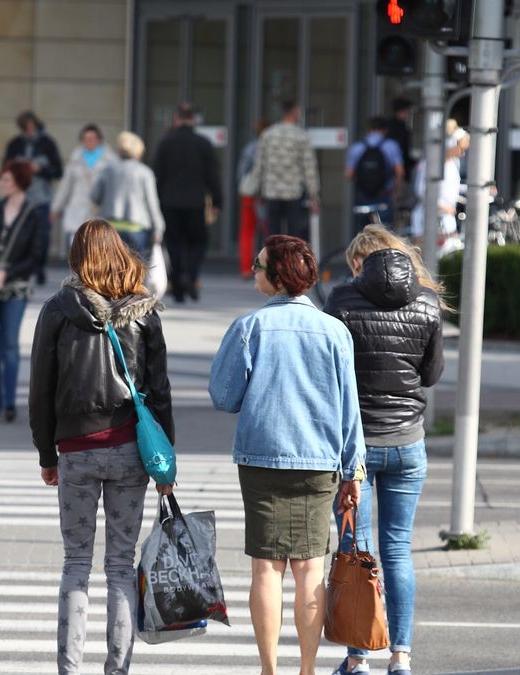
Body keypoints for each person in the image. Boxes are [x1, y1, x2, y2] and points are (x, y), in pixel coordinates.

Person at [208, 234, 365, 675]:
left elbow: (222, 396)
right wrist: (353, 469)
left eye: (259, 266)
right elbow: (348, 407)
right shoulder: (335, 331)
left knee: (266, 569)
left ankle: (268, 667)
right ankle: (309, 667)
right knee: (310, 569)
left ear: (277, 277)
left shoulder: (249, 328)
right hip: (318, 462)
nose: (253, 272)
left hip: (261, 459)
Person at [28, 218, 175, 675]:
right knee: (119, 567)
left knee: (75, 564)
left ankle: (69, 669)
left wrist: (46, 454)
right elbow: (161, 390)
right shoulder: (144, 313)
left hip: (75, 449)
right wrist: (165, 465)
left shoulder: (58, 309)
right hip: (131, 448)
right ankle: (118, 669)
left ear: (77, 257)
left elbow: (40, 389)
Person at [322, 225, 445, 675]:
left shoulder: (341, 301)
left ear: (363, 261)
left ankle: (358, 658)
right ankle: (401, 656)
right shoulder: (428, 302)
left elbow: (330, 369)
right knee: (397, 551)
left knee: (358, 548)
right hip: (409, 444)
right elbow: (430, 375)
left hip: (356, 447)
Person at [0, 159, 45, 422]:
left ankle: (10, 402)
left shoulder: (34, 214)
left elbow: (36, 256)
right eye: (2, 179)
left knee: (10, 344)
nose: (2, 183)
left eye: (7, 179)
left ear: (20, 182)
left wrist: (7, 274)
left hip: (16, 288)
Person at [152, 102, 222, 303]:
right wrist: (217, 200)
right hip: (195, 203)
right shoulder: (203, 143)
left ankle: (178, 282)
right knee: (198, 242)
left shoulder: (165, 142)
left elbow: (158, 174)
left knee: (174, 243)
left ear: (176, 119)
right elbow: (212, 175)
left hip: (170, 202)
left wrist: (156, 201)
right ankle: (190, 275)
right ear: (193, 120)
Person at [3, 111, 63, 285]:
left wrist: (40, 169)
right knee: (20, 235)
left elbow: (58, 171)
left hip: (42, 198)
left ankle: (39, 269)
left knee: (42, 236)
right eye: (26, 127)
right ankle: (22, 268)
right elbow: (5, 168)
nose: (29, 130)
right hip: (20, 198)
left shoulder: (47, 143)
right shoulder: (16, 144)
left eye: (32, 126)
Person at [90, 131, 165, 259]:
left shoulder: (107, 170)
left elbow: (95, 196)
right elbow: (152, 203)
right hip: (137, 228)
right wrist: (159, 228)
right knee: (136, 270)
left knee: (111, 269)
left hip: (110, 228)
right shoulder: (145, 173)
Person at [256, 101, 320, 243]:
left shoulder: (268, 134)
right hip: (293, 192)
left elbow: (260, 164)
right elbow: (309, 167)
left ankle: (274, 262)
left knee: (273, 234)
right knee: (294, 234)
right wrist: (313, 195)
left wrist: (258, 189)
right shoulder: (301, 136)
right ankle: (290, 263)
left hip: (272, 191)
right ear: (295, 112)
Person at [51, 124, 115, 254]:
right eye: (85, 139)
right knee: (76, 248)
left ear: (99, 140)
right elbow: (65, 186)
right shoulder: (75, 159)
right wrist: (55, 208)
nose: (89, 142)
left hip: (100, 211)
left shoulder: (111, 160)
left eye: (92, 139)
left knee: (98, 249)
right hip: (77, 210)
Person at [345, 116, 405, 232]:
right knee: (384, 233)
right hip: (384, 194)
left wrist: (365, 181)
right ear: (385, 130)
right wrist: (397, 192)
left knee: (363, 233)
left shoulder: (357, 147)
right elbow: (400, 172)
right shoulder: (391, 146)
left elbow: (348, 174)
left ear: (369, 129)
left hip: (363, 195)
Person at [236, 118, 269, 278]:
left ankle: (245, 268)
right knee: (266, 232)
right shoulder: (271, 147)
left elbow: (241, 171)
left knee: (247, 232)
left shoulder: (250, 147)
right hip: (267, 194)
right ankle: (263, 266)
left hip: (249, 194)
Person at [387, 98, 414, 177]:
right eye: (408, 111)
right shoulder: (401, 128)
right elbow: (403, 149)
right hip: (397, 167)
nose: (408, 114)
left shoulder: (388, 126)